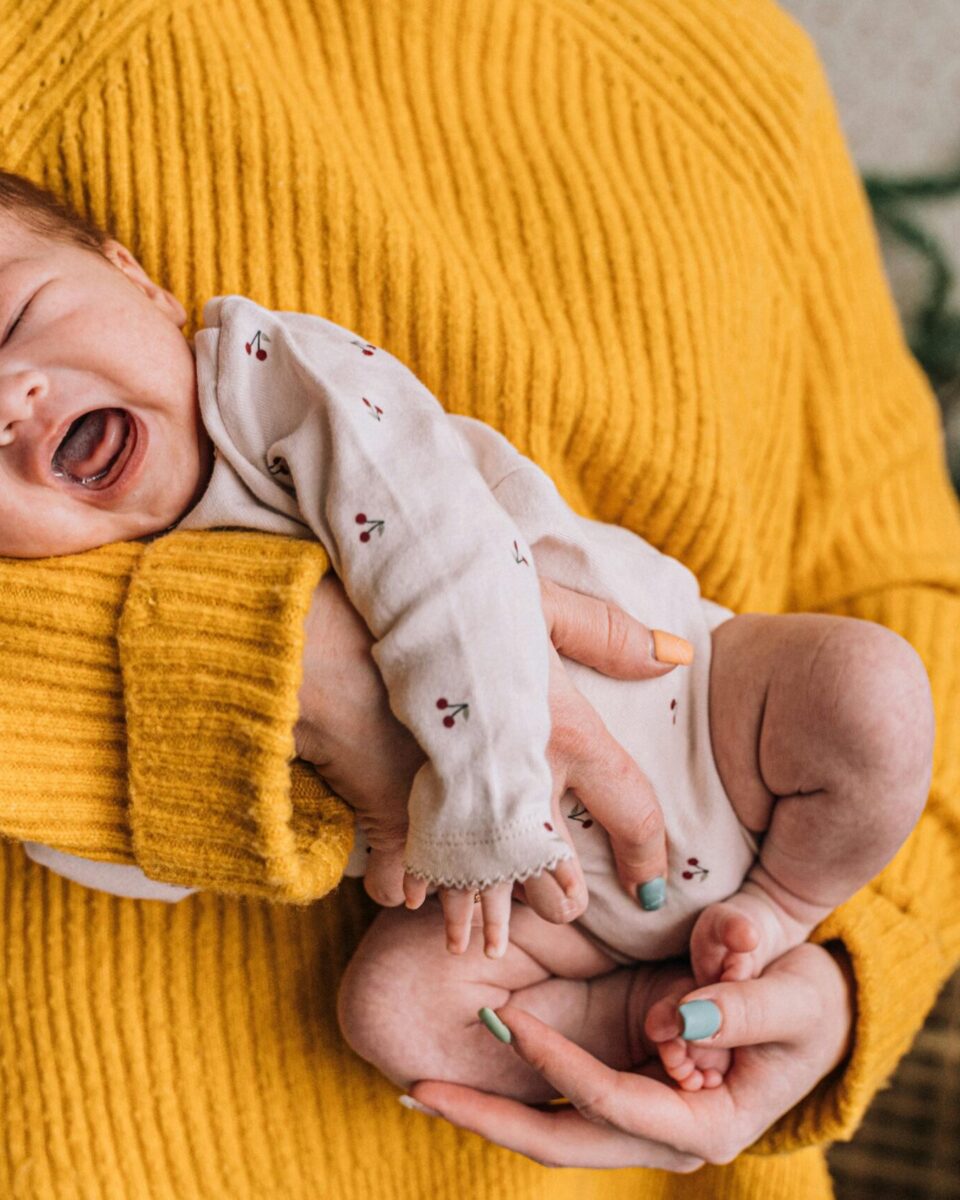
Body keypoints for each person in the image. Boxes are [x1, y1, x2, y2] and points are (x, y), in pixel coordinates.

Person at [1, 1, 958, 1196]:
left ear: (137, 282)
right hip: (284, 1074)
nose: (12, 405)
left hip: (709, 720)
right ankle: (635, 1015)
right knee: (397, 1008)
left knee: (872, 686)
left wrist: (832, 968)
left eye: (18, 322)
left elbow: (906, 576)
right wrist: (247, 669)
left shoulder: (736, 63)